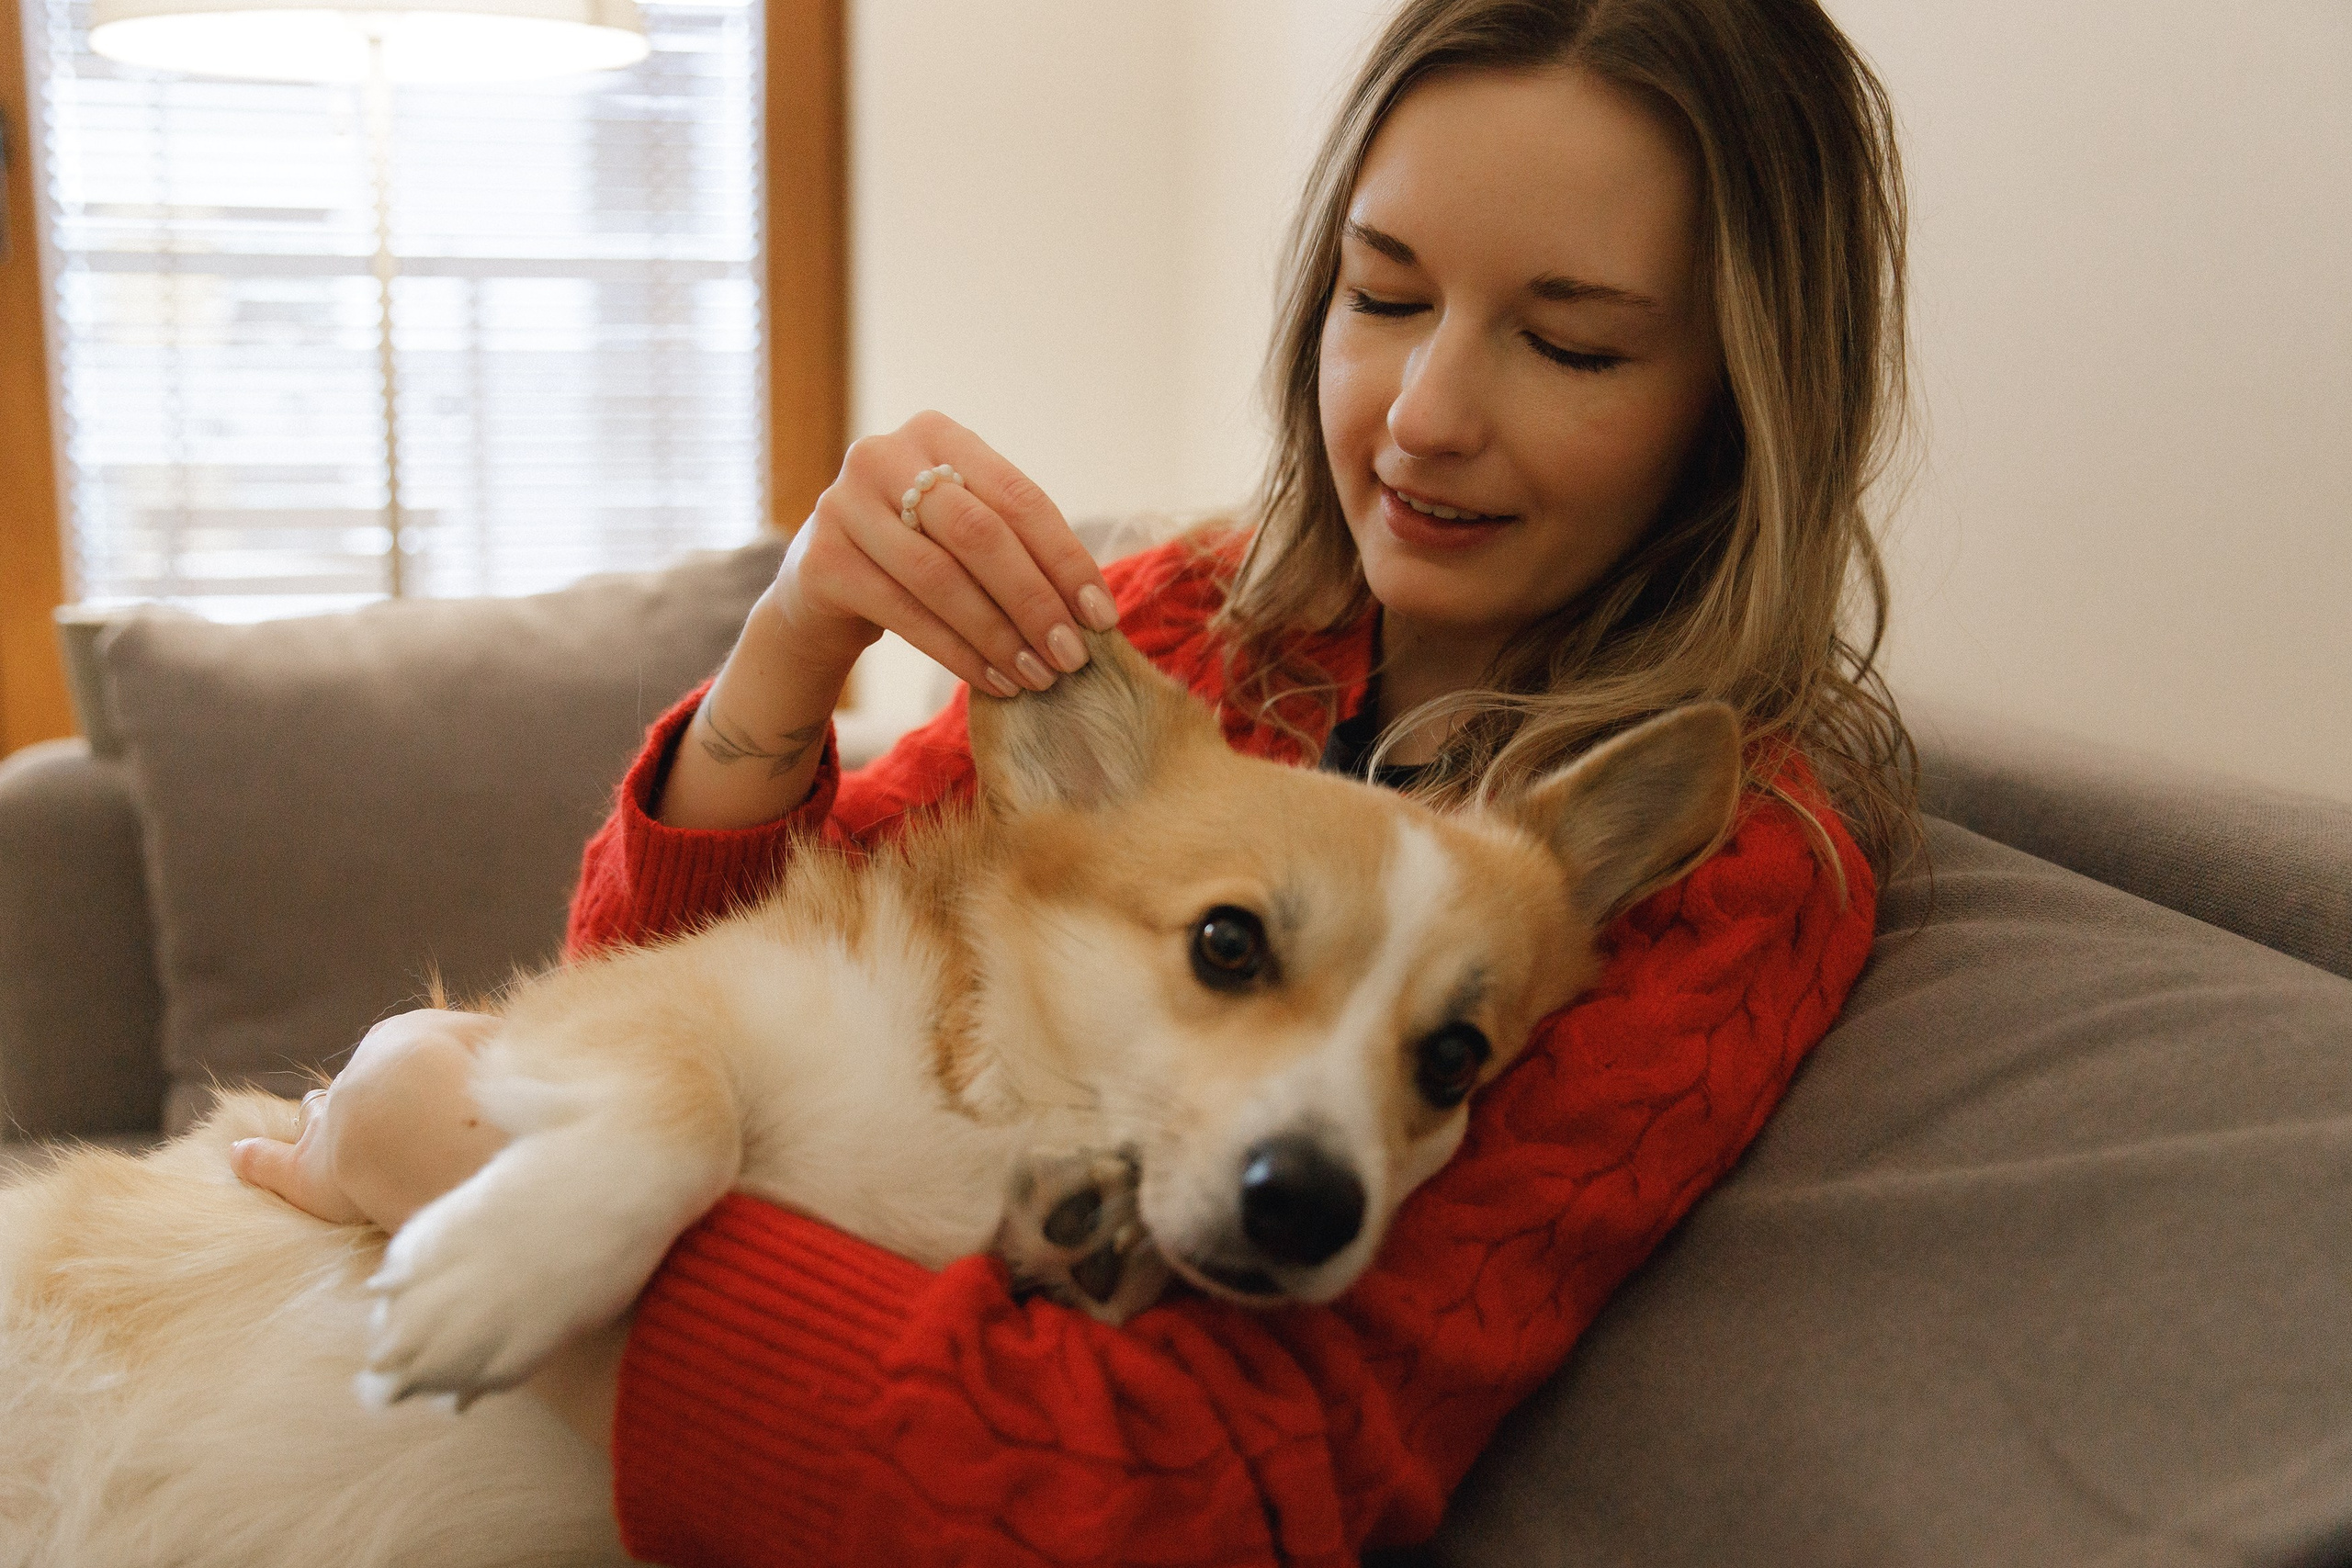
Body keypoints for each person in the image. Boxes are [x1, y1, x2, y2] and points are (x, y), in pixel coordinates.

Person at [234, 0, 1915, 1560]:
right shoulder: (1186, 618)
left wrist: (440, 1155)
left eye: (1572, 344)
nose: (1423, 416)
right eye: (1384, 295)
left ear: (1741, 399)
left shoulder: (1721, 871)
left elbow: (1174, 1498)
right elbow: (670, 989)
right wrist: (794, 645)